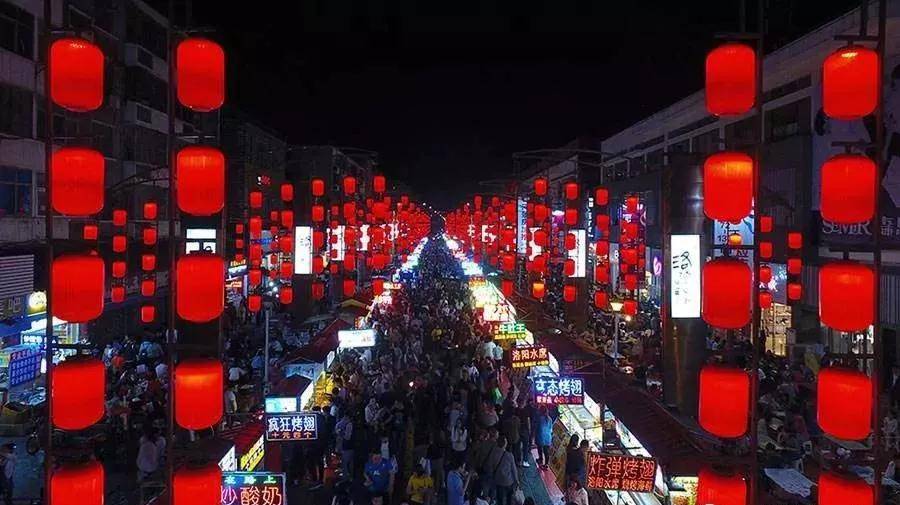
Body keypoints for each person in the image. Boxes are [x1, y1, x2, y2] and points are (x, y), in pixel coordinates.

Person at [491, 438, 520, 505]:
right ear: (505, 444)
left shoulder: (493, 454)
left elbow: (490, 465)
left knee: (500, 498)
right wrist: (517, 480)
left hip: (498, 480)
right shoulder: (509, 455)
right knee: (509, 498)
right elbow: (514, 470)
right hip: (508, 481)